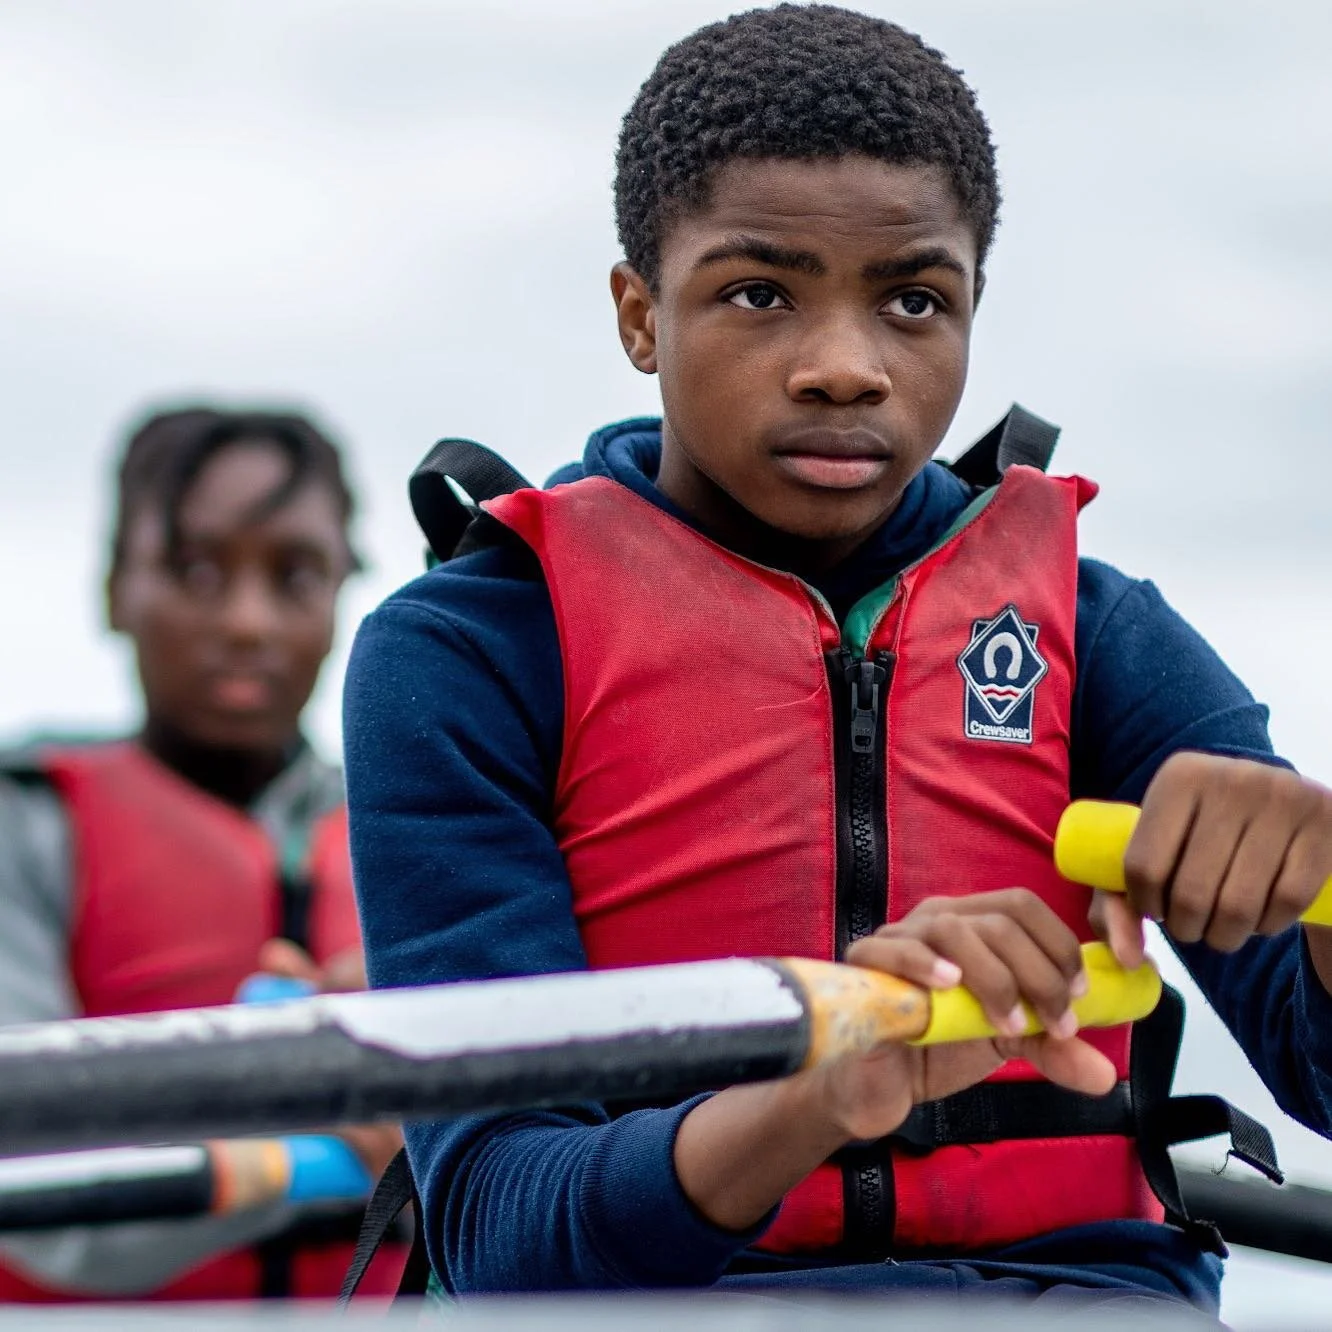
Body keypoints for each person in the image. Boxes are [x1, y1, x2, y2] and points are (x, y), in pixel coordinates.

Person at [343, 5, 1332, 1316]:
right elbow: (499, 1229)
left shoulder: (1101, 631)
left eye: (913, 301)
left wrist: (1324, 894)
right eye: (760, 293)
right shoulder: (467, 651)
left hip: (1079, 1292)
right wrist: (818, 1095)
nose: (845, 368)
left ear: (974, 309)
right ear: (641, 314)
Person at [0, 406, 402, 1301]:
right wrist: (323, 1124)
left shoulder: (435, 831)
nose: (249, 621)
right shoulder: (22, 822)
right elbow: (29, 1187)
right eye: (196, 569)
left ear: (344, 593)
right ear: (113, 590)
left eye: (295, 575)